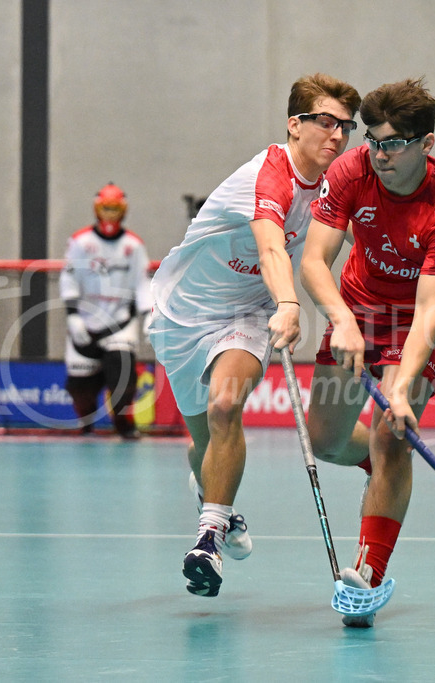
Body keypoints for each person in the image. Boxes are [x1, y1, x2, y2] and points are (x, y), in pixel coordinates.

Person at [148, 74, 362, 598]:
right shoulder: (268, 175)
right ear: (295, 124)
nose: (337, 134)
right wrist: (291, 303)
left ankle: (208, 543)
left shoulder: (335, 184)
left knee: (225, 407)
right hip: (181, 314)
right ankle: (221, 506)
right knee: (204, 448)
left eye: (346, 126)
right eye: (325, 121)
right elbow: (270, 247)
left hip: (247, 312)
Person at [300, 77, 435, 627]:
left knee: (391, 432)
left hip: (418, 321)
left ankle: (368, 576)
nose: (379, 154)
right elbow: (313, 260)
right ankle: (380, 469)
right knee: (325, 441)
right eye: (372, 140)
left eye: (393, 144)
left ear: (426, 144)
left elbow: (430, 309)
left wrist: (400, 391)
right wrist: (342, 320)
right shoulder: (351, 171)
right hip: (358, 306)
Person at [59, 182, 152, 440]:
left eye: (114, 209)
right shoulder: (79, 242)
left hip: (120, 322)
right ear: (97, 209)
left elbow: (142, 283)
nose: (110, 215)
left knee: (124, 381)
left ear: (123, 210)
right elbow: (68, 277)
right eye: (105, 209)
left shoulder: (134, 246)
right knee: (79, 390)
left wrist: (149, 314)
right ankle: (86, 424)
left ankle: (124, 425)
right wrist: (72, 314)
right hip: (84, 323)